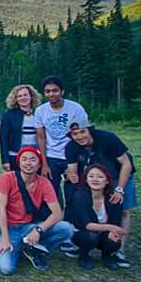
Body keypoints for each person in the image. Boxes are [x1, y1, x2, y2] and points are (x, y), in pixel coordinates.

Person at [65, 120, 136, 268]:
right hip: (96, 176)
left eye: (82, 131)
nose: (79, 137)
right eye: (75, 134)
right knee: (83, 202)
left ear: (90, 130)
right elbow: (72, 170)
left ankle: (118, 249)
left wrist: (119, 189)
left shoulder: (107, 138)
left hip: (119, 173)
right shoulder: (71, 146)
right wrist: (71, 175)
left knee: (123, 209)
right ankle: (85, 241)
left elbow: (126, 164)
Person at [0, 147, 73, 274]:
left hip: (29, 227)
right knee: (6, 269)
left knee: (66, 228)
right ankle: (20, 246)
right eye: (24, 159)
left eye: (33, 160)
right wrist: (5, 238)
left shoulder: (44, 183)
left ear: (39, 164)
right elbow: (1, 209)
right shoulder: (7, 178)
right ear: (19, 162)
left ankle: (36, 249)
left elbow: (57, 214)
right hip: (9, 228)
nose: (28, 163)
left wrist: (38, 230)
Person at [34, 75, 88, 203]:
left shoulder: (76, 109)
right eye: (47, 91)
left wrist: (74, 162)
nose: (51, 94)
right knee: (51, 192)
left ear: (62, 91)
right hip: (52, 156)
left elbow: (82, 135)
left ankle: (72, 214)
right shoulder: (40, 111)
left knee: (73, 191)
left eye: (55, 90)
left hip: (72, 156)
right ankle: (56, 214)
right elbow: (41, 137)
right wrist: (44, 163)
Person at [70, 164, 125, 270]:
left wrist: (114, 232)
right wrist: (111, 228)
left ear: (107, 181)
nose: (95, 179)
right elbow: (87, 225)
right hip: (84, 232)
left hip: (104, 233)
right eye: (91, 176)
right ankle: (84, 255)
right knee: (91, 237)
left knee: (114, 240)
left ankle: (107, 255)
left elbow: (116, 223)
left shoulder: (114, 198)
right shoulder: (79, 196)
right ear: (86, 179)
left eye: (100, 177)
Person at [0, 84, 42, 171]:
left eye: (25, 95)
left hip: (36, 155)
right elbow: (4, 138)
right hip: (15, 156)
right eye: (19, 96)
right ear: (15, 99)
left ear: (31, 96)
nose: (23, 98)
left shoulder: (39, 113)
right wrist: (5, 160)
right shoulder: (9, 115)